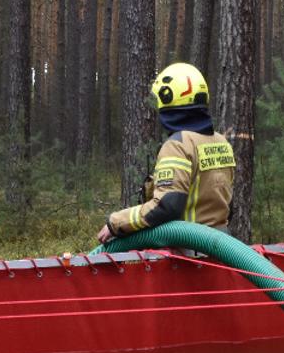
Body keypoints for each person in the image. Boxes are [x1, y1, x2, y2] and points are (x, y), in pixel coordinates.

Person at [97, 62, 237, 242]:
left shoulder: (178, 144)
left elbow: (167, 205)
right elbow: (227, 204)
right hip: (221, 248)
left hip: (185, 254)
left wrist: (115, 222)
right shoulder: (221, 141)